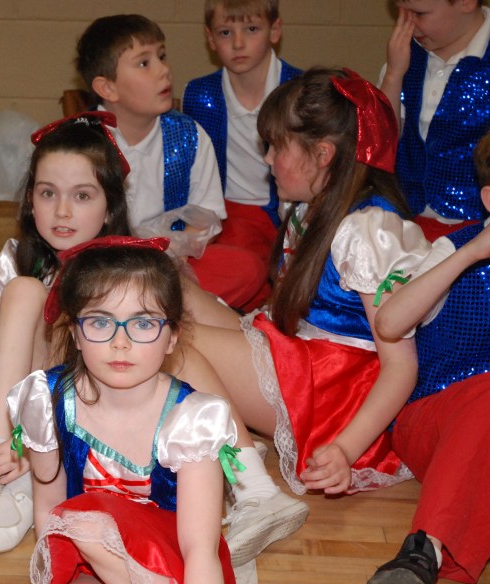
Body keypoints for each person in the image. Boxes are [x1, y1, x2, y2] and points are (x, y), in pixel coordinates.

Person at [0, 240, 326, 584]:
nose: (121, 342)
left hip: (180, 574)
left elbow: (200, 553)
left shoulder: (192, 417)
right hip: (95, 572)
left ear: (172, 336)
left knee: (87, 519)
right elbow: (49, 520)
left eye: (144, 323)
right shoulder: (47, 400)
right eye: (100, 322)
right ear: (74, 332)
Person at [184, 69, 452, 517]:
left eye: (276, 146)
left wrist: (345, 448)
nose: (267, 159)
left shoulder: (367, 229)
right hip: (302, 357)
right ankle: (230, 432)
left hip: (334, 395)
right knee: (170, 294)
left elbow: (400, 366)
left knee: (173, 343)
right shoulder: (308, 207)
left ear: (323, 154)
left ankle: (255, 489)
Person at [0, 112, 132, 555]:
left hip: (92, 422)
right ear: (30, 201)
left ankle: (30, 480)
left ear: (110, 208)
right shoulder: (21, 264)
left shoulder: (124, 274)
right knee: (23, 290)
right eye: (48, 193)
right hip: (18, 423)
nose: (62, 211)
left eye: (82, 196)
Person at [365, 129, 490, 584]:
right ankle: (426, 549)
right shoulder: (452, 250)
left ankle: (433, 548)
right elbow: (390, 323)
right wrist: (471, 254)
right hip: (434, 418)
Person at [76, 14, 268, 312]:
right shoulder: (78, 143)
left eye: (162, 56)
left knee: (247, 268)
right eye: (144, 63)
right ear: (107, 88)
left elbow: (205, 218)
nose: (164, 70)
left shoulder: (190, 135)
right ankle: (161, 311)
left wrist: (173, 255)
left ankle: (146, 310)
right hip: (98, 268)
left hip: (168, 266)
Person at [183, 0, 301, 306]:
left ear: (275, 30)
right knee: (242, 270)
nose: (238, 43)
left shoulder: (300, 89)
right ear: (210, 38)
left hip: (294, 210)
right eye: (225, 32)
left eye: (251, 29)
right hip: (231, 214)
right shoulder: (201, 94)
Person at [380, 0, 490, 240]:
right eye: (401, 13)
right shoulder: (405, 57)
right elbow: (381, 142)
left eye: (418, 14)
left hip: (478, 231)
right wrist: (393, 76)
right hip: (407, 224)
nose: (408, 25)